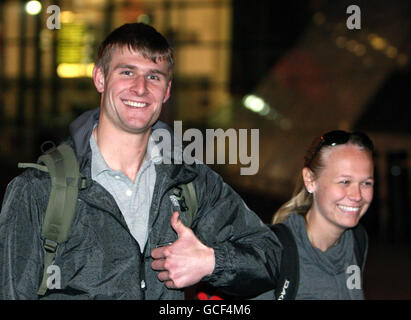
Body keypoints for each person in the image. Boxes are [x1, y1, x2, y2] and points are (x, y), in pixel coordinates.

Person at [0, 23, 280, 300]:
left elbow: (269, 258)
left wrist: (211, 262)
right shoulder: (40, 190)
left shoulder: (190, 182)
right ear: (100, 78)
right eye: (127, 72)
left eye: (154, 77)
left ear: (167, 91)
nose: (141, 88)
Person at [260, 130, 375, 299]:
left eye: (366, 183)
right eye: (345, 182)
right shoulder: (273, 253)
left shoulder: (357, 241)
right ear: (310, 180)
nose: (357, 196)